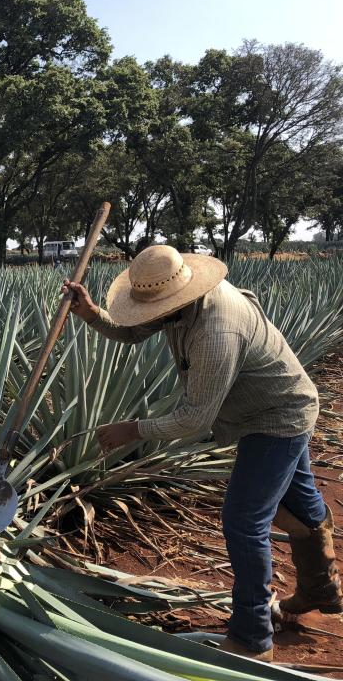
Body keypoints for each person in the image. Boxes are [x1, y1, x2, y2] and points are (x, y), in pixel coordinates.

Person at [64, 245, 338, 661]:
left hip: (276, 417)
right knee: (300, 506)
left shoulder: (215, 330)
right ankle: (322, 590)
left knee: (244, 521)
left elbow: (194, 418)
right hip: (261, 410)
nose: (148, 317)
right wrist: (90, 314)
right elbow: (135, 330)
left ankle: (251, 637)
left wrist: (133, 430)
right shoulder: (181, 303)